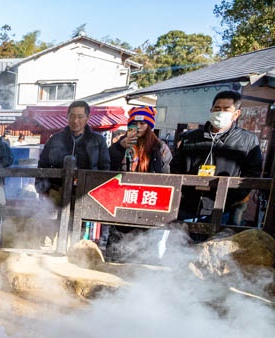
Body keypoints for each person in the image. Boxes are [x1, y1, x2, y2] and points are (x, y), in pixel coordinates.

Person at [172, 90, 263, 227]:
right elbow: (175, 167)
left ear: (236, 114)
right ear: (211, 110)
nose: (220, 112)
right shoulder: (191, 138)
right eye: (217, 108)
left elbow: (253, 173)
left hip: (222, 209)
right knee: (182, 245)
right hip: (187, 207)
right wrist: (183, 193)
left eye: (226, 109)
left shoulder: (248, 140)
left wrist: (233, 198)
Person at [105, 106, 172, 257]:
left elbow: (166, 176)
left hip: (149, 202)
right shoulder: (120, 145)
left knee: (146, 249)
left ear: (149, 125)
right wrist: (119, 148)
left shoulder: (160, 147)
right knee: (117, 245)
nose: (139, 127)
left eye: (143, 124)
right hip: (123, 202)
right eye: (135, 123)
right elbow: (107, 168)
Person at [36, 100, 111, 204]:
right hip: (56, 191)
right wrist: (42, 189)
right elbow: (43, 164)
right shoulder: (55, 139)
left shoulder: (98, 140)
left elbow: (105, 168)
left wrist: (100, 191)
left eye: (80, 117)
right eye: (72, 116)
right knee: (51, 219)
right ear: (67, 116)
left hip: (86, 194)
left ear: (88, 118)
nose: (75, 121)